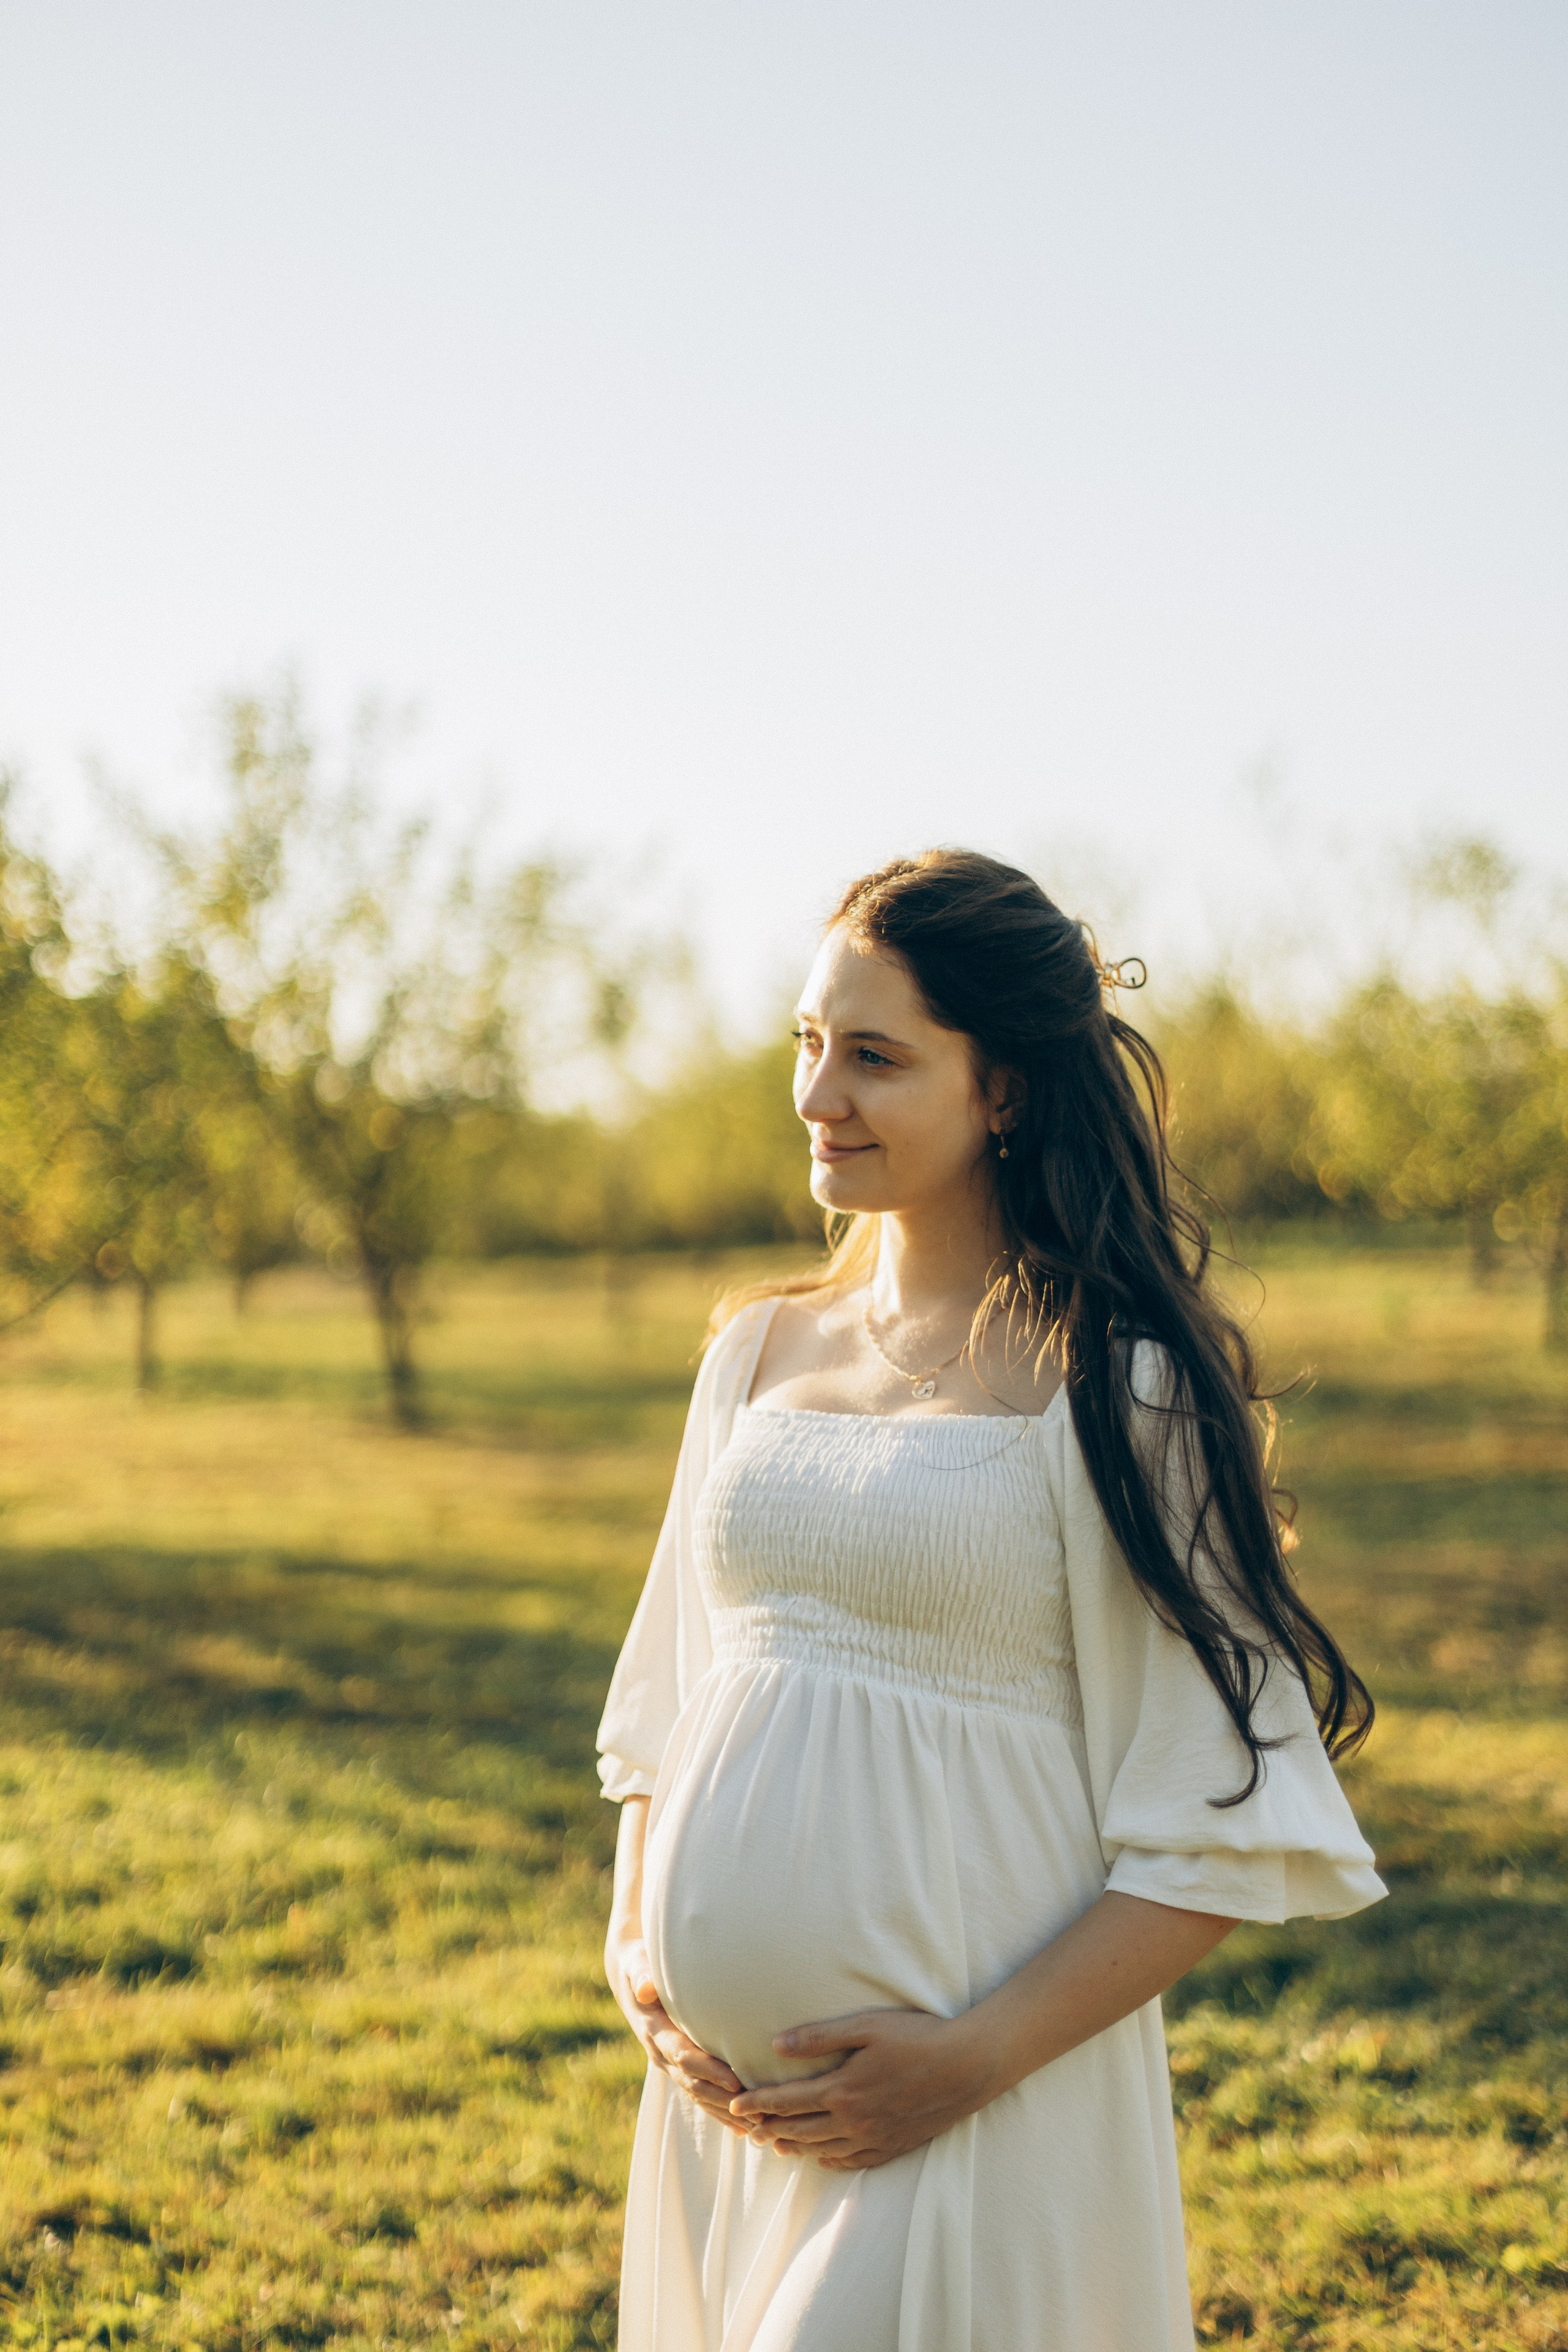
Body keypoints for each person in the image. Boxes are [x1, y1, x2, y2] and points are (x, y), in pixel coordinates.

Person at [598, 848, 1383, 2352]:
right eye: (807, 1044)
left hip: (969, 2111)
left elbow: (1212, 1833)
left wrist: (966, 2061)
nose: (816, 1093)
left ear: (1001, 1090)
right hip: (724, 2107)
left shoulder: (1116, 1386)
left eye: (873, 1056)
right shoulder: (753, 1357)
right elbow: (665, 1708)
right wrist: (636, 1943)